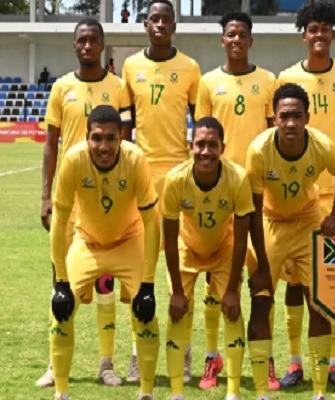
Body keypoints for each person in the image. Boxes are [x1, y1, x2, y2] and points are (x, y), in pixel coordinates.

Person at [38, 18, 132, 389]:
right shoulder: (62, 87)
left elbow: (128, 141)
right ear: (75, 45)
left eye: (94, 40)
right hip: (69, 199)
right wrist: (45, 195)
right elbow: (50, 144)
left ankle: (106, 363)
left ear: (102, 44)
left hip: (105, 203)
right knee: (61, 280)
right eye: (82, 40)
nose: (88, 45)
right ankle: (54, 363)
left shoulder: (118, 87)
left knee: (105, 280)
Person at [246, 83, 335, 400]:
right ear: (275, 118)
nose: (290, 123)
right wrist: (262, 263)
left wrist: (334, 215)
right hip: (270, 222)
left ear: (307, 117)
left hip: (307, 221)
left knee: (318, 304)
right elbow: (252, 210)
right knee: (261, 301)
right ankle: (263, 386)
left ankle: (319, 389)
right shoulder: (259, 151)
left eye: (297, 116)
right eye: (284, 116)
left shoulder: (321, 145)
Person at [49, 105, 160, 400]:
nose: (103, 146)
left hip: (128, 240)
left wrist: (148, 284)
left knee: (146, 313)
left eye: (111, 138)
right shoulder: (73, 160)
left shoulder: (135, 160)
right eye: (96, 138)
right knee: (60, 311)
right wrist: (60, 281)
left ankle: (146, 393)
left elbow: (152, 222)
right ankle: (61, 392)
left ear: (121, 137)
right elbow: (59, 222)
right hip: (88, 242)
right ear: (87, 137)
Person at [193, 11, 279, 391]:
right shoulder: (208, 82)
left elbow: (275, 136)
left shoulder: (269, 81)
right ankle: (213, 357)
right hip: (220, 194)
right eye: (230, 34)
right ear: (222, 40)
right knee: (214, 279)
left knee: (262, 279)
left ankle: (266, 356)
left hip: (258, 194)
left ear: (250, 40)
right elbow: (203, 137)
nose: (236, 40)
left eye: (242, 34)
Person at [162, 116, 273, 400]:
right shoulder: (175, 180)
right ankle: (176, 392)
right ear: (191, 146)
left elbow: (242, 237)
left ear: (222, 147)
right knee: (177, 314)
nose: (206, 151)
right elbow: (169, 241)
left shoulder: (237, 178)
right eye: (200, 144)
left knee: (232, 311)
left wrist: (233, 289)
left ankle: (233, 391)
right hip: (187, 249)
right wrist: (177, 291)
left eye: (212, 145)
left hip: (224, 249)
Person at [276, 0, 335, 388]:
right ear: (303, 36)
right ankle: (294, 362)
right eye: (312, 29)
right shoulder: (287, 78)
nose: (319, 34)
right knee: (295, 284)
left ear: (333, 34)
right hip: (297, 197)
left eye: (325, 28)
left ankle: (334, 363)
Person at [122, 0, 201, 381]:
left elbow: (201, 126)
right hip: (141, 175)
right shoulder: (130, 66)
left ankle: (181, 353)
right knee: (141, 270)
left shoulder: (190, 68)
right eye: (153, 19)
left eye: (165, 19)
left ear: (174, 25)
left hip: (178, 175)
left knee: (179, 271)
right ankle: (139, 353)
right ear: (145, 25)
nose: (159, 25)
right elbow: (126, 127)